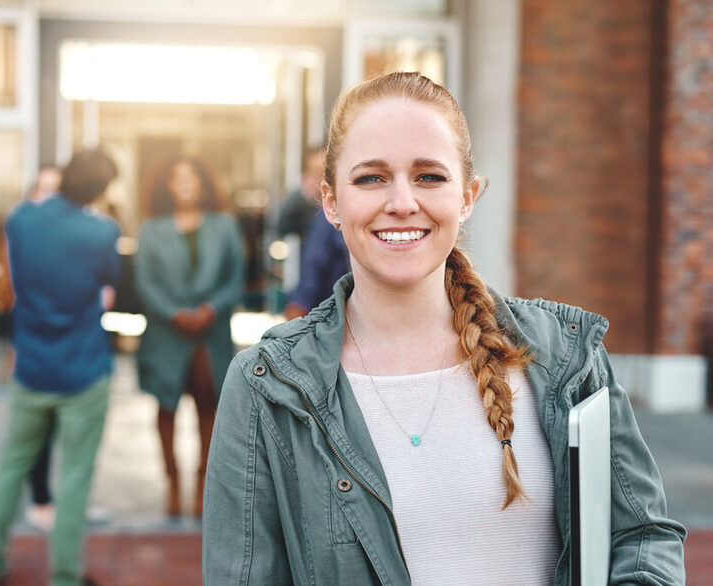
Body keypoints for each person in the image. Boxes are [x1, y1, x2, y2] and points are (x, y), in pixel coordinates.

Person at [202, 72, 686, 584]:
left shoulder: (564, 354)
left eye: (430, 176)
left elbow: (642, 538)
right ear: (330, 203)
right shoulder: (267, 385)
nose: (403, 202)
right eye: (371, 178)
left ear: (467, 196)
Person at [0, 149, 120, 586]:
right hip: (84, 368)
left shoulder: (20, 219)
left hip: (32, 365)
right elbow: (109, 280)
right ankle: (64, 575)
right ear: (99, 190)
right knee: (75, 477)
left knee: (11, 467)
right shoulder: (102, 232)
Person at [134, 156, 244, 518]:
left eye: (192, 177)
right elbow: (144, 283)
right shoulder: (151, 230)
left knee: (209, 407)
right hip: (167, 333)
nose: (185, 183)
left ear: (203, 184)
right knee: (165, 407)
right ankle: (172, 483)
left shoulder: (225, 226)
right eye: (177, 177)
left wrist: (211, 309)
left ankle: (201, 486)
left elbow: (235, 278)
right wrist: (174, 313)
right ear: (168, 185)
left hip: (210, 333)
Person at [0, 165, 62, 533]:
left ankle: (58, 498)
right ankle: (40, 499)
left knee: (63, 428)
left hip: (67, 352)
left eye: (56, 192)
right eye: (41, 190)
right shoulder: (20, 236)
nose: (47, 200)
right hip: (31, 352)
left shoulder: (70, 238)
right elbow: (6, 290)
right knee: (31, 434)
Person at [282, 210, 351, 320]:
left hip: (332, 313)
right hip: (331, 312)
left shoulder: (329, 220)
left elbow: (314, 263)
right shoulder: (329, 220)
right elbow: (314, 264)